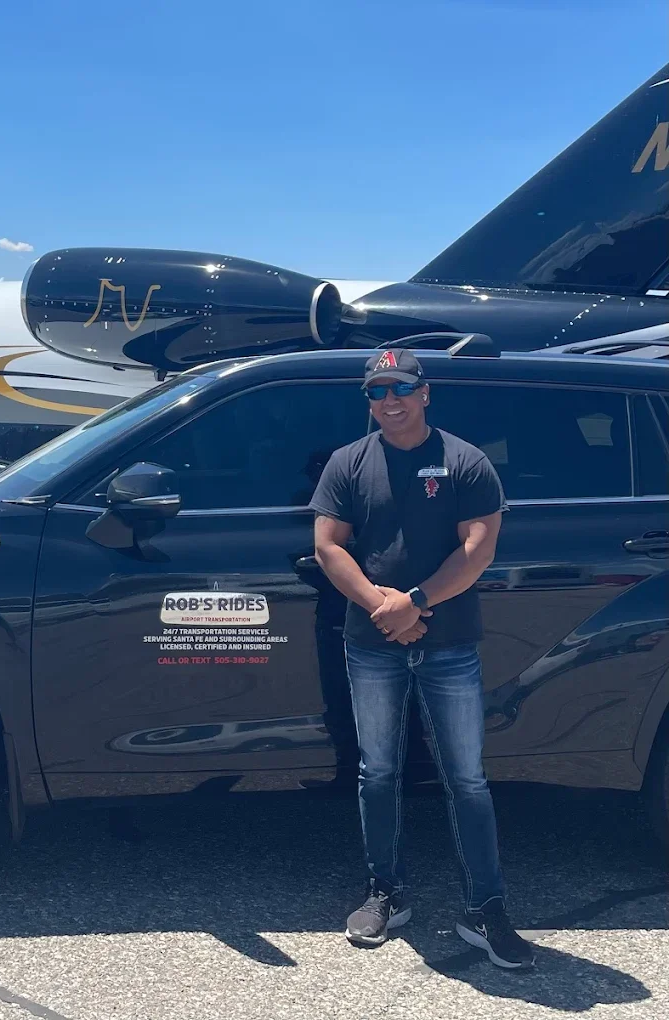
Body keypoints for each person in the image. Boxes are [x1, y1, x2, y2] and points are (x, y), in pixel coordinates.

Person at [309, 349, 535, 970]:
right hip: (371, 642)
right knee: (377, 771)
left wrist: (414, 602)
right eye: (377, 391)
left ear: (425, 392)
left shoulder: (466, 462)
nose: (390, 401)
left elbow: (478, 550)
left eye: (401, 388)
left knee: (467, 778)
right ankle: (386, 892)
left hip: (450, 641)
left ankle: (486, 908)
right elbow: (328, 547)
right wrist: (382, 608)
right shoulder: (348, 463)